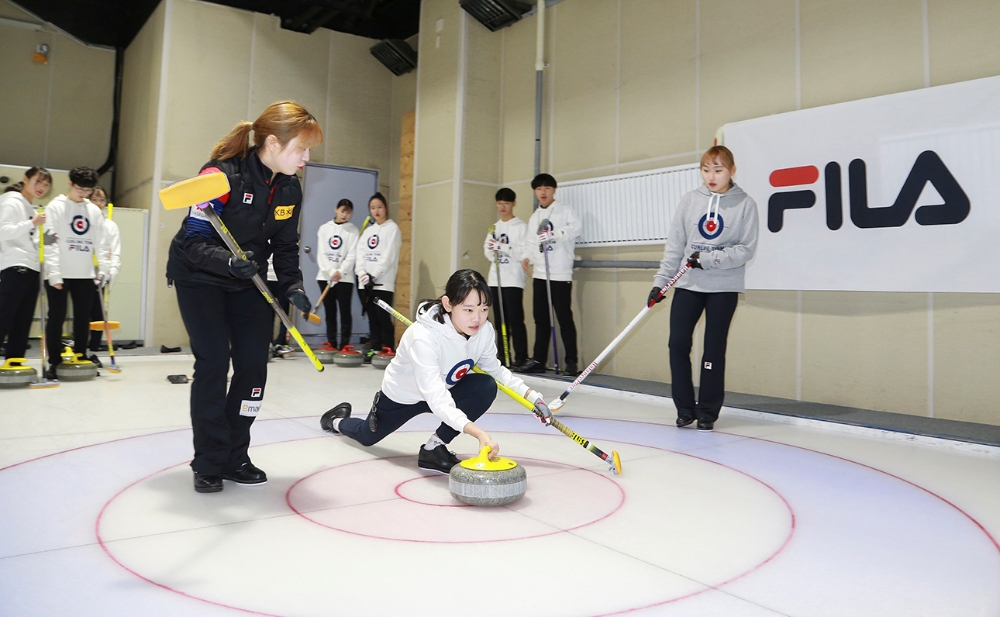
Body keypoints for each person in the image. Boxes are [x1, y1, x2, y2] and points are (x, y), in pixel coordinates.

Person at [166, 101, 322, 493]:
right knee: (214, 362)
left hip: (249, 278)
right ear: (272, 143)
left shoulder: (289, 187)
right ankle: (209, 460)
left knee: (253, 367)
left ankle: (236, 455)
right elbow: (194, 240)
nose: (306, 158)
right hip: (200, 276)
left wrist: (293, 286)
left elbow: (285, 247)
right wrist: (227, 262)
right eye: (301, 149)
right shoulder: (219, 176)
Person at [320, 269, 551, 473]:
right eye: (468, 309)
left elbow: (496, 371)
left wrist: (534, 399)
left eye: (484, 309)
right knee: (366, 436)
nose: (477, 318)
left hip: (444, 389)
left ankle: (434, 448)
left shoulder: (484, 331)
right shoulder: (423, 338)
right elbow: (436, 398)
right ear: (448, 304)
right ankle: (336, 420)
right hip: (403, 396)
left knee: (485, 386)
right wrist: (479, 434)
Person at [648, 145, 759, 431]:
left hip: (723, 287)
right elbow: (675, 246)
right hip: (688, 285)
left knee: (713, 349)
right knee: (677, 344)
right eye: (706, 170)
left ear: (732, 171)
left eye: (718, 170)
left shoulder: (745, 204)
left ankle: (708, 411)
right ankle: (685, 408)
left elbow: (746, 249)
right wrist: (660, 282)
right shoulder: (690, 201)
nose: (711, 176)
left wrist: (709, 259)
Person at [43, 166, 109, 379]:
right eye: (80, 188)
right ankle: (54, 361)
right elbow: (49, 242)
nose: (83, 193)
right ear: (70, 183)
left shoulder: (94, 211)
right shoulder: (55, 207)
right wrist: (54, 273)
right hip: (60, 273)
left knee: (83, 317)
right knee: (57, 316)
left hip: (85, 273)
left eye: (87, 190)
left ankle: (81, 354)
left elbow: (101, 243)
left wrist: (103, 270)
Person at [518, 173, 582, 375]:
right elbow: (530, 243)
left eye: (546, 188)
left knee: (564, 318)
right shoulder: (535, 216)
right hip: (540, 274)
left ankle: (571, 362)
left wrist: (554, 234)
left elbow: (576, 228)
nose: (543, 192)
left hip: (560, 273)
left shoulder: (564, 210)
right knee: (541, 318)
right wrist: (526, 258)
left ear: (554, 190)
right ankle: (538, 359)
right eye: (539, 189)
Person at [0, 167, 51, 362]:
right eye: (38, 181)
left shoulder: (31, 208)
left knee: (23, 319)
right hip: (15, 265)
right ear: (25, 179)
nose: (42, 187)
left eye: (46, 185)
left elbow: (30, 239)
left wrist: (46, 239)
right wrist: (32, 223)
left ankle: (15, 361)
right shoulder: (11, 201)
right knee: (5, 315)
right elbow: (3, 231)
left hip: (32, 268)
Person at [483, 187, 528, 367]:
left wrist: (502, 247)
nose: (502, 207)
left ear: (513, 204)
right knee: (499, 320)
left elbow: (523, 253)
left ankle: (521, 357)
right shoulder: (494, 227)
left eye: (506, 204)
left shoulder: (521, 227)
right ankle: (502, 356)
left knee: (515, 320)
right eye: (500, 204)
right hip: (496, 279)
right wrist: (493, 250)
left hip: (513, 280)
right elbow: (487, 251)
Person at [355, 192, 401, 362]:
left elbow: (389, 256)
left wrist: (373, 274)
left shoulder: (392, 229)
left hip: (383, 283)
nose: (376, 211)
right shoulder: (368, 231)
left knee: (383, 316)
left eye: (379, 207)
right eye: (373, 208)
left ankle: (388, 346)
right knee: (372, 317)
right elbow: (360, 254)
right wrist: (362, 273)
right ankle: (375, 348)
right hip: (365, 283)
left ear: (386, 208)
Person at [316, 198, 359, 349]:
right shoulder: (324, 228)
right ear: (336, 210)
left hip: (345, 279)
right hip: (325, 277)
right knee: (330, 312)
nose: (345, 215)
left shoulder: (353, 230)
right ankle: (332, 342)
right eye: (342, 211)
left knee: (345, 311)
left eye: (348, 212)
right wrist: (331, 271)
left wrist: (340, 271)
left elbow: (352, 255)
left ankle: (344, 344)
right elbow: (321, 254)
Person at [86, 187, 121, 363]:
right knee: (82, 314)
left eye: (102, 200)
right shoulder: (83, 222)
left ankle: (93, 351)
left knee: (98, 315)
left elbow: (115, 252)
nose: (98, 203)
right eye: (94, 199)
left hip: (102, 276)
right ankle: (81, 350)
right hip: (83, 274)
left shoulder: (110, 225)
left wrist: (110, 273)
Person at [265, 255, 291, 356]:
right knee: (268, 312)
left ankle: (281, 342)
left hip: (283, 279)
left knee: (283, 313)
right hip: (267, 278)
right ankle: (268, 341)